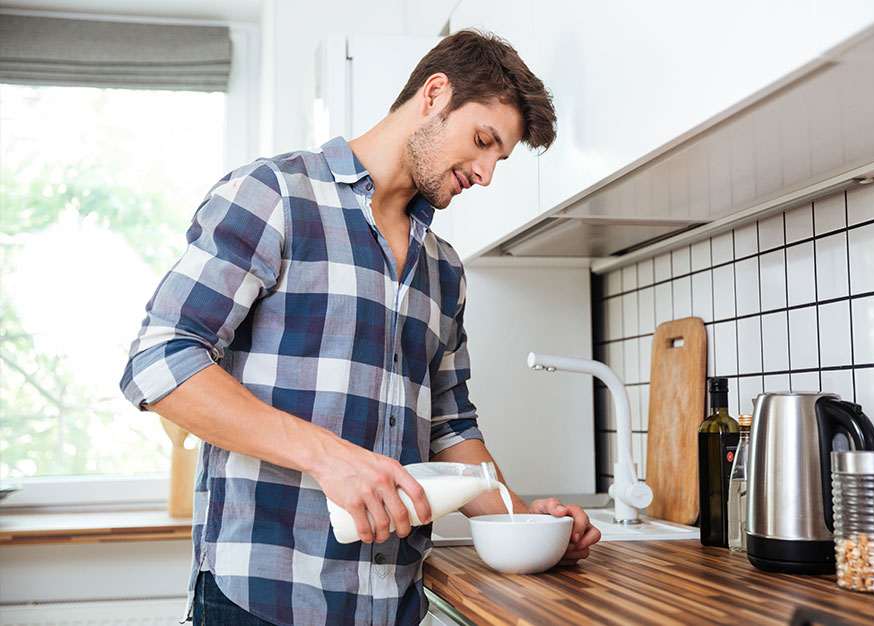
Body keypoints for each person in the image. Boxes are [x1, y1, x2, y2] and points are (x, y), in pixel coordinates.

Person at [120, 29, 600, 626]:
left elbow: (451, 428)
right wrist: (329, 458)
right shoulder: (275, 197)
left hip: (393, 604)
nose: (485, 174)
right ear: (434, 93)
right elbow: (160, 360)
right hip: (263, 599)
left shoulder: (443, 267)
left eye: (498, 159)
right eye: (482, 142)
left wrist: (522, 521)